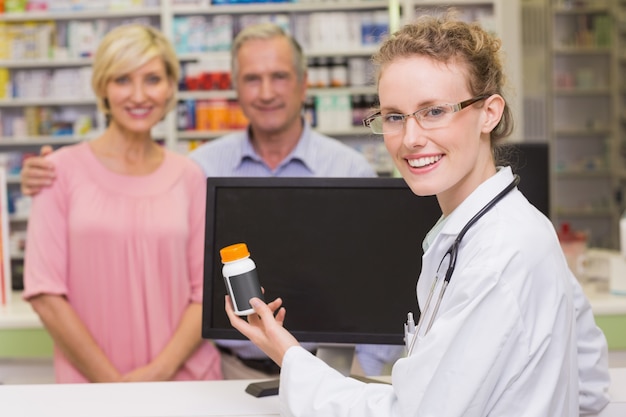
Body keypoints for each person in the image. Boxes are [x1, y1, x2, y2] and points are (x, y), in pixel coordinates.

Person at [225, 13, 611, 416]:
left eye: (434, 111)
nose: (410, 139)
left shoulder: (499, 256)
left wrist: (287, 353)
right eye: (394, 116)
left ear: (489, 113)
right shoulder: (516, 226)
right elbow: (589, 386)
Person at [19, 23, 403, 380]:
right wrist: (46, 172)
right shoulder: (202, 168)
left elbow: (374, 282)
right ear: (235, 88)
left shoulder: (348, 168)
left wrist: (357, 370)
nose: (266, 92)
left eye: (279, 77)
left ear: (304, 84)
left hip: (326, 370)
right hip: (228, 370)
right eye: (252, 79)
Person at [21, 24, 222, 383]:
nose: (139, 95)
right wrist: (115, 388)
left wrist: (156, 374)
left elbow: (204, 292)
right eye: (123, 80)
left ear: (170, 87)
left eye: (152, 79)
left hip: (186, 383)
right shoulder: (57, 172)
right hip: (93, 386)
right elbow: (45, 293)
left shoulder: (190, 177)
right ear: (102, 87)